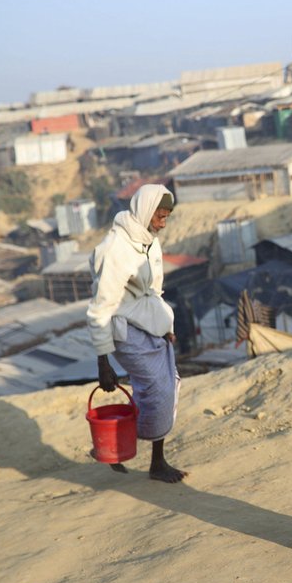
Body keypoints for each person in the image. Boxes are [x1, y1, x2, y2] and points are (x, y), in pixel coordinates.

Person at [86, 183, 187, 483]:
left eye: (167, 216)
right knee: (157, 389)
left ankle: (138, 455)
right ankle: (136, 456)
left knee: (168, 385)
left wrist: (166, 327)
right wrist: (103, 362)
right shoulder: (116, 248)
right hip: (124, 328)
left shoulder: (148, 240)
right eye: (160, 216)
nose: (163, 223)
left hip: (149, 323)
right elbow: (100, 309)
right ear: (145, 211)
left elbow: (154, 290)